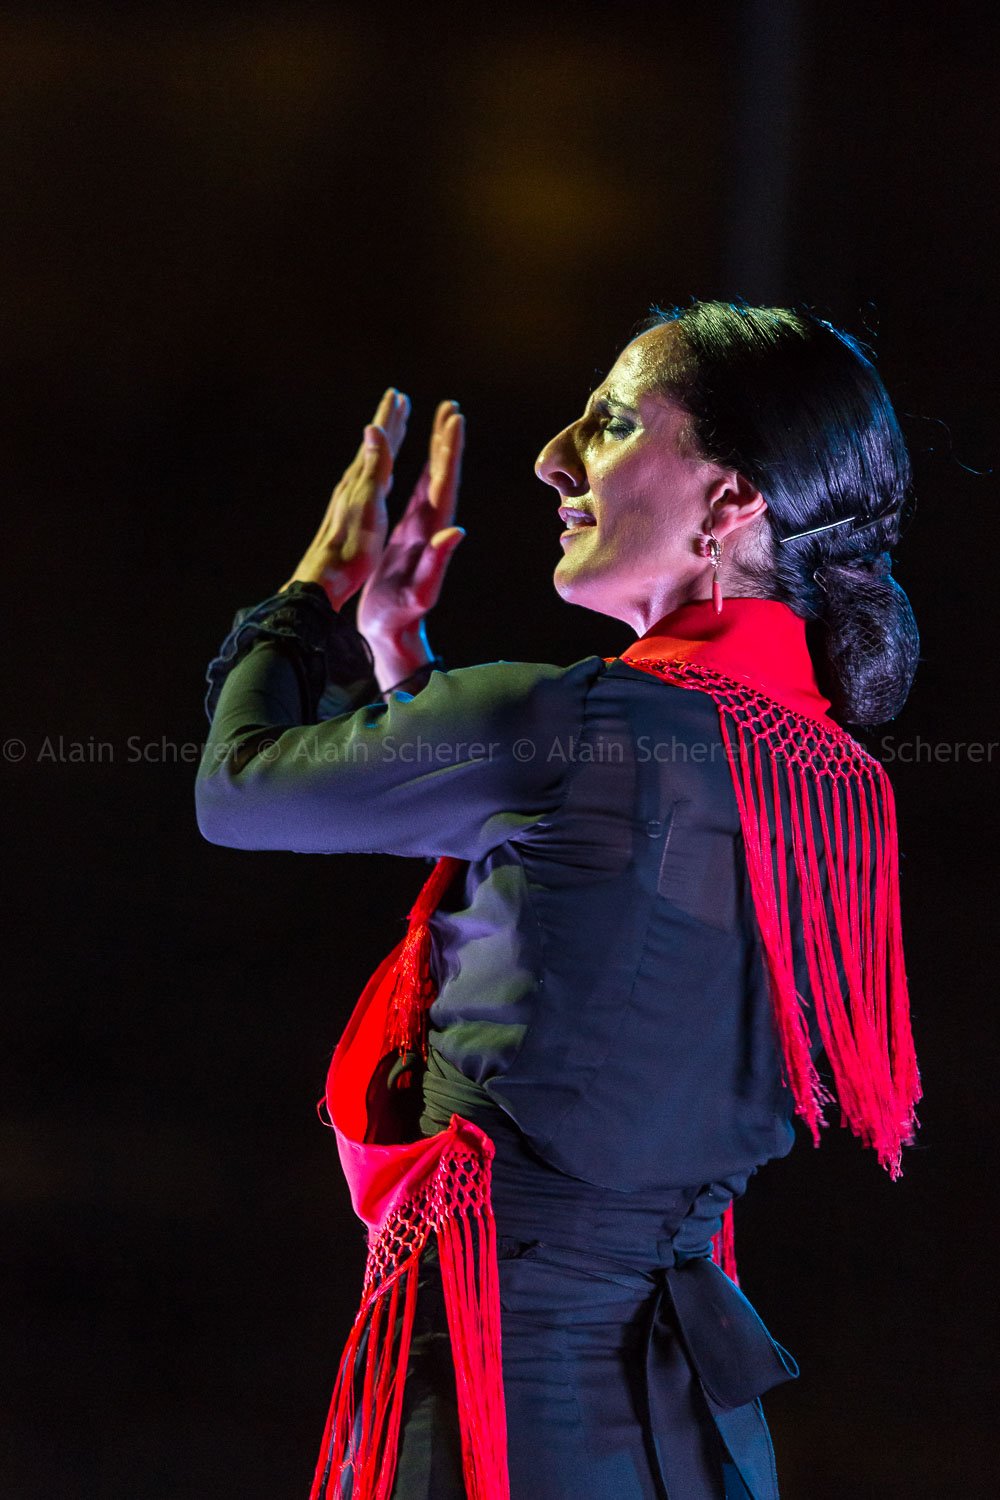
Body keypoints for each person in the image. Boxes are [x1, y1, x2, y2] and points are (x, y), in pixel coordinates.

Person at [194, 300, 922, 1500]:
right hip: (690, 1431)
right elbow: (582, 943)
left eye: (614, 421)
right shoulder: (832, 786)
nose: (552, 457)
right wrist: (405, 672)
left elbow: (238, 788)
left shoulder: (571, 726)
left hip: (498, 1403)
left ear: (730, 500)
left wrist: (310, 599)